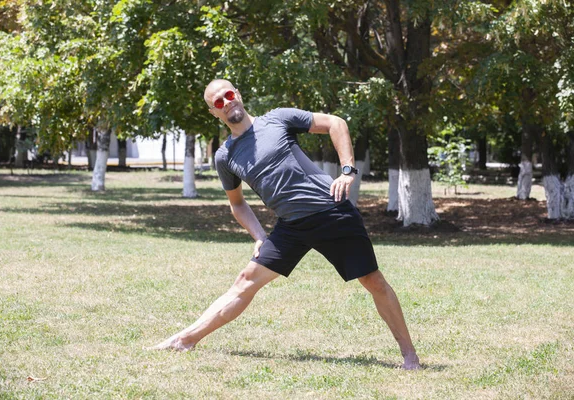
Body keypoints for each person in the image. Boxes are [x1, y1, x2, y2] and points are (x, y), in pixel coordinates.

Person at [151, 79, 420, 370]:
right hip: (291, 226)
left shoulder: (277, 119)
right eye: (218, 102)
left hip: (330, 210)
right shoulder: (225, 156)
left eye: (228, 95)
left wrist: (347, 171)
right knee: (245, 280)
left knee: (373, 281)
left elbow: (335, 123)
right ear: (214, 112)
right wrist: (258, 236)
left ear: (238, 94)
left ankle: (410, 356)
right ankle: (185, 340)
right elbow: (237, 203)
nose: (226, 103)